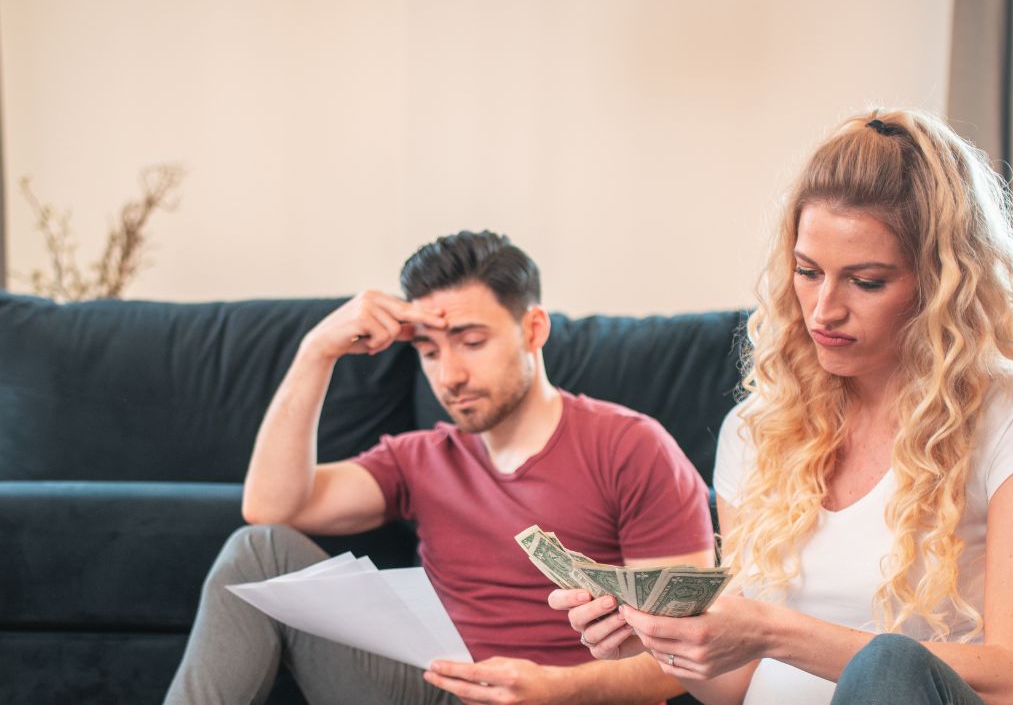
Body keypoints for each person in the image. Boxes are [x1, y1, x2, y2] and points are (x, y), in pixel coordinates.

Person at [555, 109, 1013, 705]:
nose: (823, 309)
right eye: (807, 272)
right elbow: (734, 687)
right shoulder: (756, 429)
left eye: (867, 281)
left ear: (941, 282)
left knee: (888, 667)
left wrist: (774, 631)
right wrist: (659, 640)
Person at [165, 230, 715, 705]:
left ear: (533, 330)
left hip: (565, 696)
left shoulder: (631, 447)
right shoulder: (420, 458)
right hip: (438, 690)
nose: (449, 375)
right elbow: (270, 507)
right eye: (429, 351)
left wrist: (553, 688)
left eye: (471, 342)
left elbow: (692, 654)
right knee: (255, 550)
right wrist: (316, 350)